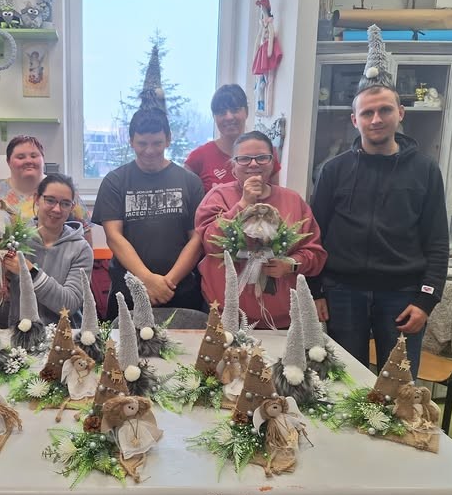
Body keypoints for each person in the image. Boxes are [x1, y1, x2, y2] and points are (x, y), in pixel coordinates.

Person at [309, 25, 449, 380]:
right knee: (345, 382)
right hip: (343, 294)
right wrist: (316, 291)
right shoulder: (333, 171)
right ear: (354, 119)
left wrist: (426, 300)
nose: (376, 119)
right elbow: (315, 235)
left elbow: (437, 242)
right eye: (367, 113)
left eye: (384, 110)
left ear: (400, 112)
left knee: (399, 385)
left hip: (402, 295)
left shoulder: (425, 170)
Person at [196, 131, 326, 329]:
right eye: (244, 159)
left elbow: (315, 254)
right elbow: (209, 243)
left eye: (262, 157)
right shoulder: (217, 197)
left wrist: (290, 264)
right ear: (233, 166)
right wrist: (244, 203)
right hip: (226, 316)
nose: (254, 164)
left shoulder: (293, 200)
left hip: (283, 319)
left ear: (273, 163)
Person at [92, 107, 205, 320]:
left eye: (157, 143)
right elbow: (114, 237)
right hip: (128, 292)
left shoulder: (190, 182)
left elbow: (197, 238)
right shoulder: (115, 181)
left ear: (168, 140)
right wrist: (148, 280)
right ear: (131, 141)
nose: (150, 150)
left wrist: (167, 283)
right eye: (142, 143)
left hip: (180, 291)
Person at [0, 173, 93, 327]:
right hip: (17, 331)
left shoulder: (81, 249)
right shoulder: (15, 238)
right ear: (37, 199)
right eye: (50, 200)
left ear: (72, 207)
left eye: (65, 203)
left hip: (63, 334)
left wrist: (30, 272)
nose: (57, 209)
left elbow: (69, 305)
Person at [0, 135, 92, 245]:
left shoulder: (64, 191)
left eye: (34, 156)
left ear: (43, 159)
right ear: (8, 161)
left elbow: (85, 231)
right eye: (20, 157)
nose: (28, 161)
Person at [184, 84, 280, 193]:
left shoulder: (265, 155)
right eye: (221, 112)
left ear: (247, 112)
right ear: (214, 117)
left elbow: (276, 198)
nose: (229, 117)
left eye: (235, 110)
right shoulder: (197, 158)